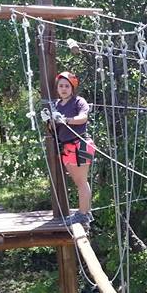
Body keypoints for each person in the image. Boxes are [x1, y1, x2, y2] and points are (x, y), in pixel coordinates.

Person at [48, 71, 95, 225]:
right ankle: (85, 212)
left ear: (72, 88)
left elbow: (83, 118)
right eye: (61, 86)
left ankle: (82, 214)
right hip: (66, 147)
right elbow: (54, 128)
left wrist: (65, 119)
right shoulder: (55, 105)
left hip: (79, 143)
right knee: (79, 182)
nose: (63, 89)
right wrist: (50, 121)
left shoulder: (78, 102)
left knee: (81, 182)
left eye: (67, 86)